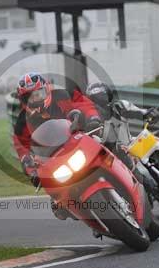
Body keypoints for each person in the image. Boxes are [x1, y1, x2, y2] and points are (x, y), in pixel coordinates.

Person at [85, 82, 159, 212]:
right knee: (144, 179)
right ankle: (150, 197)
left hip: (132, 143)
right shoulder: (90, 120)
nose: (102, 102)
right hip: (118, 157)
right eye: (97, 99)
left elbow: (136, 112)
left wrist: (148, 113)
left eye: (103, 97)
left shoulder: (119, 106)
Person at [12, 72, 102, 219]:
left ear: (46, 89)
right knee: (58, 203)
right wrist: (31, 170)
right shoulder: (22, 123)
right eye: (30, 97)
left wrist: (92, 117)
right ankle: (92, 219)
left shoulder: (62, 95)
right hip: (55, 158)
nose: (35, 99)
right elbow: (22, 150)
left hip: (82, 138)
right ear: (23, 100)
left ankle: (135, 170)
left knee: (110, 145)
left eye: (38, 94)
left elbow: (83, 104)